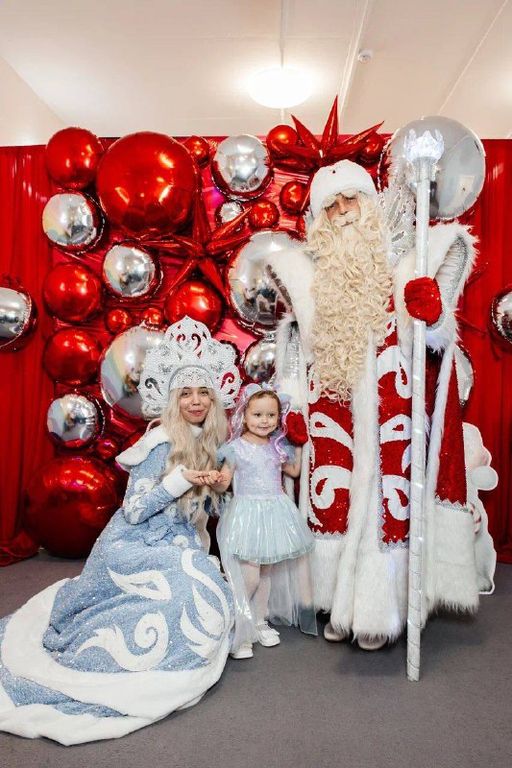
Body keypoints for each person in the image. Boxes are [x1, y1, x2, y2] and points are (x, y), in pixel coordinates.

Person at [265, 159, 496, 650]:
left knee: (387, 511)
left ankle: (379, 611)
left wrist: (433, 316)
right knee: (335, 506)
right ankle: (337, 604)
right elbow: (297, 355)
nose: (344, 212)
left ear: (370, 206)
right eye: (332, 206)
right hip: (336, 411)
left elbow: (434, 346)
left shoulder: (407, 266)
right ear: (320, 221)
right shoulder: (310, 281)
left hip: (393, 408)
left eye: (352, 200)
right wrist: (295, 407)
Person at [0, 316, 242, 745]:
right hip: (133, 543)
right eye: (186, 393)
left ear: (214, 398)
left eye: (203, 392)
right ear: (173, 399)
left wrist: (221, 488)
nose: (196, 401)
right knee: (186, 589)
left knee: (204, 584)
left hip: (176, 542)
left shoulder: (211, 443)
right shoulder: (160, 443)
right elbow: (134, 509)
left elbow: (205, 510)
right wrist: (180, 479)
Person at [214, 383, 317, 660]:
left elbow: (293, 471)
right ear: (244, 415)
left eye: (271, 415)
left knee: (266, 574)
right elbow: (224, 483)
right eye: (257, 415)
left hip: (274, 513)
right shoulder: (236, 448)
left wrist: (297, 441)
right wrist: (215, 478)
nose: (264, 421)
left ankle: (259, 621)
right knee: (249, 576)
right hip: (248, 514)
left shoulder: (277, 446)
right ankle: (238, 625)